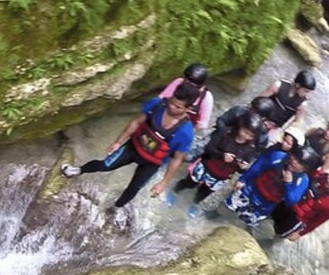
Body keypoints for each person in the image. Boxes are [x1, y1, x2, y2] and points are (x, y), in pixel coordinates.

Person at [61, 81, 198, 229]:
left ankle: (116, 208)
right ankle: (79, 170)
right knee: (104, 165)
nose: (171, 107)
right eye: (171, 102)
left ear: (188, 109)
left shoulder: (186, 132)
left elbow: (177, 160)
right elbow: (136, 122)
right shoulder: (157, 105)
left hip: (152, 162)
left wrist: (163, 183)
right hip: (133, 147)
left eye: (178, 107)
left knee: (133, 188)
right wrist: (118, 142)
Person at [173, 112, 259, 217]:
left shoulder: (250, 149)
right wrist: (222, 155)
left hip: (221, 176)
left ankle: (193, 203)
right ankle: (175, 192)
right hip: (206, 165)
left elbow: (241, 169)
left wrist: (242, 168)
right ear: (240, 126)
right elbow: (209, 148)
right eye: (245, 132)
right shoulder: (225, 133)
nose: (247, 136)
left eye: (250, 135)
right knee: (189, 183)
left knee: (204, 193)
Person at [223, 144, 320, 229]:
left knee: (241, 223)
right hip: (250, 190)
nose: (294, 161)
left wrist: (288, 183)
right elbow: (258, 167)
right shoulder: (278, 157)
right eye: (294, 157)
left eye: (299, 162)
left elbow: (290, 201)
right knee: (226, 208)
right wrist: (243, 180)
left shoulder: (302, 181)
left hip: (264, 205)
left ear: (305, 168)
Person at [272, 167, 329, 242]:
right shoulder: (319, 176)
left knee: (278, 235)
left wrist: (300, 234)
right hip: (289, 203)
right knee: (270, 218)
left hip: (296, 219)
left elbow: (317, 221)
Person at [159, 63, 215, 131]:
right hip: (162, 118)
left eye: (190, 84)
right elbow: (161, 98)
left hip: (180, 129)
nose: (186, 85)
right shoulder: (178, 82)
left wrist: (188, 130)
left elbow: (203, 123)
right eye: (185, 81)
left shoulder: (206, 98)